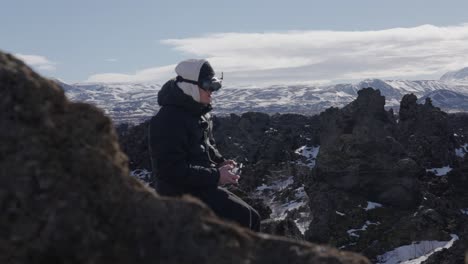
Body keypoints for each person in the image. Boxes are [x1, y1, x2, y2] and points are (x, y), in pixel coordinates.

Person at [148, 59, 260, 231]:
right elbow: (169, 171)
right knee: (243, 218)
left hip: (199, 185)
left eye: (215, 86)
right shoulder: (167, 121)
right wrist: (216, 176)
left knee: (252, 217)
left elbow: (206, 145)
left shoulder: (197, 112)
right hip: (179, 195)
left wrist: (221, 162)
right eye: (208, 85)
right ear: (189, 86)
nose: (212, 92)